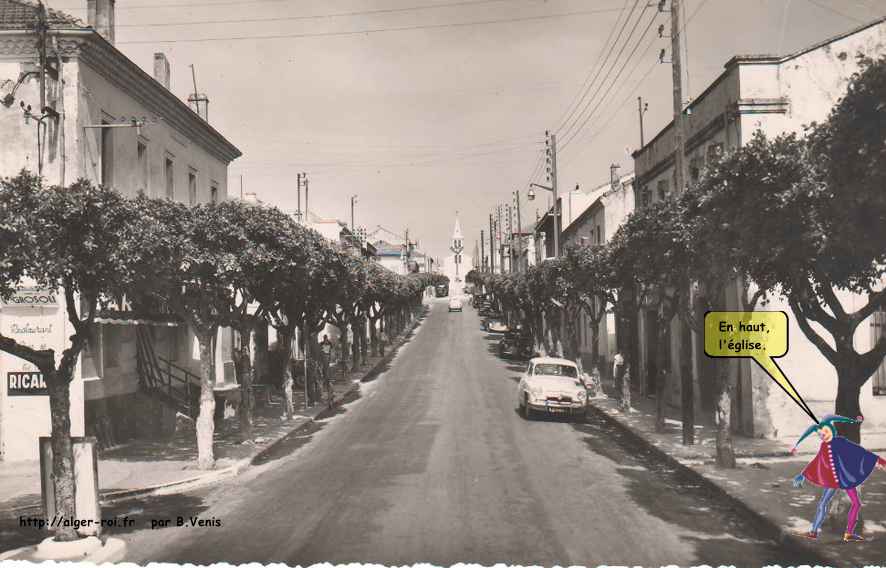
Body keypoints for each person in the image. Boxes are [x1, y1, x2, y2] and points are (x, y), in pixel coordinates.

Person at [791, 414, 886, 542]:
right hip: (833, 480)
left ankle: (848, 533)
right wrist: (802, 474)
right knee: (823, 503)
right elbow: (817, 461)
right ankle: (813, 532)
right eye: (820, 434)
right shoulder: (824, 446)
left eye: (825, 431)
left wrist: (879, 461)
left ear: (832, 430)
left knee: (856, 504)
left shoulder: (840, 441)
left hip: (845, 477)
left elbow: (859, 451)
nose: (822, 435)